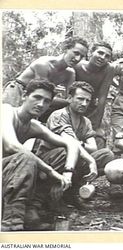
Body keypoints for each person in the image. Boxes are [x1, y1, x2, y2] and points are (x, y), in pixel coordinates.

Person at [2, 79, 79, 231]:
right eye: (36, 97)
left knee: (60, 154)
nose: (41, 104)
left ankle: (30, 209)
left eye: (46, 101)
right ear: (24, 95)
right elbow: (11, 145)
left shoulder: (34, 126)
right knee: (25, 157)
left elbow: (71, 144)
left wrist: (68, 172)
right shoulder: (6, 111)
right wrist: (52, 172)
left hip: (8, 179)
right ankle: (11, 223)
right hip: (5, 176)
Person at [37, 81, 114, 209]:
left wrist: (80, 144)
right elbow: (70, 144)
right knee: (65, 151)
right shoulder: (59, 115)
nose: (84, 103)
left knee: (106, 155)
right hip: (51, 162)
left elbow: (93, 147)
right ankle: (42, 196)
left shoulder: (86, 121)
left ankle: (71, 191)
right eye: (80, 99)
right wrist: (87, 155)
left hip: (73, 161)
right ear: (69, 98)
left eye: (87, 101)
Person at [2, 36, 89, 110]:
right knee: (8, 120)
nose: (77, 59)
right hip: (18, 91)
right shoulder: (43, 64)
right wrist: (67, 101)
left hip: (38, 98)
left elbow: (69, 98)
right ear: (66, 49)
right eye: (76, 53)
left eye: (81, 56)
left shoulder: (70, 73)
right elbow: (41, 92)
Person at [74, 42, 117, 148]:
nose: (103, 57)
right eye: (100, 53)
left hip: (91, 108)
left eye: (107, 56)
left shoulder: (108, 69)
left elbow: (102, 97)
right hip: (74, 104)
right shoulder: (78, 66)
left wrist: (97, 125)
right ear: (91, 53)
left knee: (97, 137)